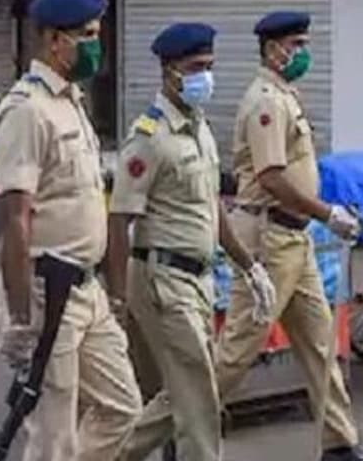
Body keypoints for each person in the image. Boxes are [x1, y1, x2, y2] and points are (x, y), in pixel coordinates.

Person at [109, 23, 276, 461]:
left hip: (197, 281)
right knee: (198, 396)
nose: (207, 77)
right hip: (163, 280)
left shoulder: (199, 128)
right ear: (170, 71)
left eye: (210, 66)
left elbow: (211, 208)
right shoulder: (149, 137)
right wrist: (116, 299)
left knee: (182, 391)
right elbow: (119, 219)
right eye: (196, 67)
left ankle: (103, 455)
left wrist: (248, 265)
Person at [0, 0, 142, 460]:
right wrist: (18, 319)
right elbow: (15, 219)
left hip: (86, 288)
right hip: (47, 290)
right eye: (87, 35)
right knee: (53, 435)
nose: (97, 45)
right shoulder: (27, 111)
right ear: (55, 40)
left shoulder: (70, 100)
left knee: (123, 407)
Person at [219, 11, 363, 461]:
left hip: (293, 241)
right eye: (296, 45)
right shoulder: (266, 101)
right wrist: (328, 214)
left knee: (320, 344)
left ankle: (339, 446)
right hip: (269, 239)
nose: (303, 54)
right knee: (238, 350)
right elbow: (271, 177)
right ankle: (173, 428)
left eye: (305, 44)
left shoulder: (286, 95)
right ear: (272, 50)